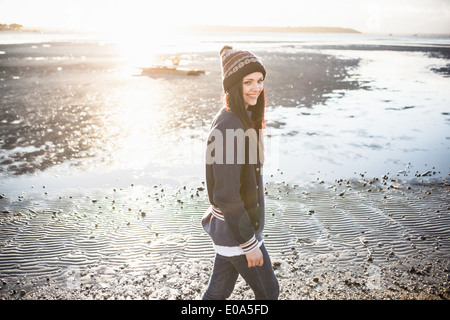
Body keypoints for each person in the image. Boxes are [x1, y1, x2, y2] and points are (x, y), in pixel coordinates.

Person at [201, 46, 279, 300]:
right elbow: (225, 194)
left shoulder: (240, 118)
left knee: (218, 291)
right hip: (237, 232)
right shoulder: (228, 126)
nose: (257, 88)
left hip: (233, 228)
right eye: (248, 82)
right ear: (234, 86)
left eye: (259, 81)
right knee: (269, 293)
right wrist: (250, 245)